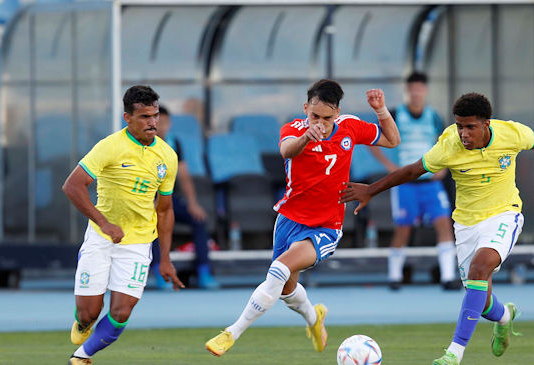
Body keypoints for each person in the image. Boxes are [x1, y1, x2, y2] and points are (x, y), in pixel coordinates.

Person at [340, 92, 534, 365]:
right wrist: (371, 190)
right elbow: (412, 171)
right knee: (481, 300)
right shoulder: (449, 145)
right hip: (467, 224)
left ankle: (453, 354)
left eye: (470, 127)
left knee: (480, 268)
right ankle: (504, 316)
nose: (463, 133)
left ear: (486, 124)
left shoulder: (510, 133)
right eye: (459, 126)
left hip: (504, 214)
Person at [205, 79, 400, 357]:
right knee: (285, 289)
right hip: (289, 220)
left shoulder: (350, 127)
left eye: (327, 117)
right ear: (305, 108)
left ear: (338, 112)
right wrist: (307, 136)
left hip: (326, 226)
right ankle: (314, 318)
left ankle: (231, 332)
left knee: (280, 268)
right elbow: (286, 151)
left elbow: (393, 140)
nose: (320, 123)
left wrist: (381, 110)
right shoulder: (294, 130)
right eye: (314, 116)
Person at [62, 85, 185, 364]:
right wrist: (104, 223)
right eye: (144, 117)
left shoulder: (167, 156)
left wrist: (165, 258)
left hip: (139, 243)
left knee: (121, 313)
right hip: (101, 237)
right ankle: (82, 324)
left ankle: (81, 357)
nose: (152, 122)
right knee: (89, 313)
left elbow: (165, 210)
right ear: (127, 118)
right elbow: (72, 186)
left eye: (154, 116)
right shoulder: (110, 146)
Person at [369, 72, 459, 291]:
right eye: (412, 89)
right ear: (407, 91)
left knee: (444, 224)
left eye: (420, 89)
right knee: (403, 228)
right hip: (406, 183)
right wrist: (390, 167)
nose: (416, 93)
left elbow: (447, 143)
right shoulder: (396, 114)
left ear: (425, 91)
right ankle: (394, 277)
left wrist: (444, 166)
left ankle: (448, 277)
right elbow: (371, 140)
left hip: (430, 182)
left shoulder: (434, 116)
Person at [153, 105, 219, 289]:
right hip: (147, 202)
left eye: (165, 123)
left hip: (169, 199)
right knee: (155, 221)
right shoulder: (143, 144)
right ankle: (160, 272)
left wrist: (192, 203)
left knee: (198, 219)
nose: (161, 127)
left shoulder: (175, 143)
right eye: (158, 123)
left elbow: (184, 176)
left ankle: (204, 271)